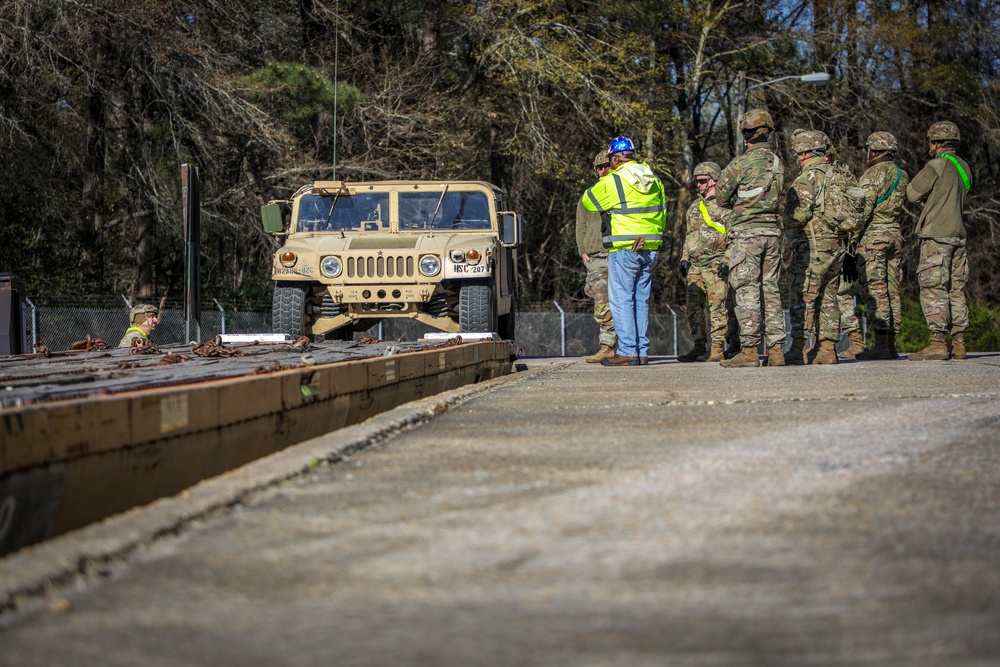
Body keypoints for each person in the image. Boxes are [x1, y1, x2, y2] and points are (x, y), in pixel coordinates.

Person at [581, 135, 667, 366]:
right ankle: (641, 351)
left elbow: (588, 200)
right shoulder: (654, 180)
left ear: (617, 158)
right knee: (640, 300)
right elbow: (662, 213)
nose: (608, 164)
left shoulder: (614, 180)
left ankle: (628, 350)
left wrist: (606, 178)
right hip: (650, 247)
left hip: (624, 247)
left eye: (610, 160)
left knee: (621, 300)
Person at [715, 109, 786, 368]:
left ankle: (749, 351)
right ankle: (777, 351)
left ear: (746, 136)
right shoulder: (778, 164)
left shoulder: (740, 164)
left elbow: (721, 197)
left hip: (747, 236)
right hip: (773, 235)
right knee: (771, 290)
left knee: (747, 290)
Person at [906, 121, 972, 361]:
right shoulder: (964, 167)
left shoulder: (937, 164)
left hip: (937, 236)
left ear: (936, 142)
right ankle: (959, 342)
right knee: (956, 288)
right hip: (959, 235)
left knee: (934, 287)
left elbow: (912, 193)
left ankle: (937, 342)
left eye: (930, 142)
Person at [784, 129, 845, 365]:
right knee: (829, 296)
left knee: (803, 296)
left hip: (812, 247)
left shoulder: (806, 179)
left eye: (798, 153)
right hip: (837, 246)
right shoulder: (837, 176)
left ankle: (798, 348)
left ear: (804, 153)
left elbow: (797, 216)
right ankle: (827, 349)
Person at [851, 131, 910, 360]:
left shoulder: (871, 175)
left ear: (875, 151)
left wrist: (850, 238)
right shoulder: (902, 174)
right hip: (894, 234)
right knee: (892, 288)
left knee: (875, 290)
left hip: (873, 237)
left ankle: (881, 344)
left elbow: (862, 210)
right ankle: (892, 342)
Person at [677, 161, 730, 363]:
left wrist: (726, 259)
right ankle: (699, 345)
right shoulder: (694, 207)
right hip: (695, 265)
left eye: (702, 181)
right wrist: (684, 257)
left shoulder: (725, 207)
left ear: (714, 180)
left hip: (715, 263)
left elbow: (734, 236)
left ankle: (717, 347)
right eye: (696, 181)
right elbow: (689, 235)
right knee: (693, 307)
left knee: (717, 307)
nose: (698, 185)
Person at [576, 150, 617, 363]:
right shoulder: (589, 195)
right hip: (596, 256)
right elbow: (580, 225)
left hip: (618, 252)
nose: (602, 171)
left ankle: (629, 345)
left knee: (624, 301)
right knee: (601, 302)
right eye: (598, 167)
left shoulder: (620, 191)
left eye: (605, 166)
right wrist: (583, 250)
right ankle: (607, 344)